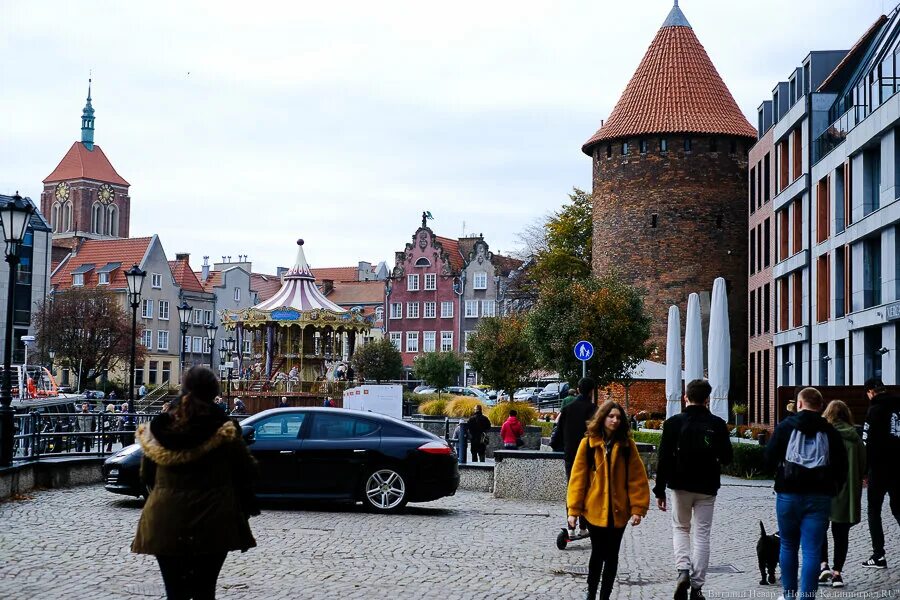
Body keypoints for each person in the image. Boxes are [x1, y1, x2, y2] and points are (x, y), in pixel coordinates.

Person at [132, 366, 258, 600]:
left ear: (183, 389)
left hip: (165, 518)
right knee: (204, 590)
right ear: (214, 393)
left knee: (175, 593)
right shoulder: (225, 430)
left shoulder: (159, 430)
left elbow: (145, 477)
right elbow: (246, 471)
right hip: (214, 518)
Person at [765, 387, 848, 600]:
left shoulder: (785, 427)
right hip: (819, 497)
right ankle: (807, 597)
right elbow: (841, 466)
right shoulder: (830, 431)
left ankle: (789, 594)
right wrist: (834, 489)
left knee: (788, 544)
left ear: (799, 404)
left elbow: (768, 458)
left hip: (788, 495)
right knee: (812, 550)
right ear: (820, 406)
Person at [653, 379, 732, 600]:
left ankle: (683, 571)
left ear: (685, 397)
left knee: (680, 528)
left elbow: (664, 459)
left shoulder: (673, 423)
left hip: (680, 485)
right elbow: (727, 458)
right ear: (707, 399)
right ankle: (697, 587)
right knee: (702, 534)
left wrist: (659, 490)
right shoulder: (717, 424)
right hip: (707, 486)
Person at [567, 400, 650, 600]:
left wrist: (638, 508)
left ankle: (605, 595)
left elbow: (637, 478)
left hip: (618, 512)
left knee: (612, 556)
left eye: (618, 417)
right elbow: (578, 479)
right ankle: (591, 592)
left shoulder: (626, 445)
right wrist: (573, 511)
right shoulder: (588, 444)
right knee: (597, 554)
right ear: (602, 418)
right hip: (594, 510)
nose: (614, 420)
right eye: (610, 416)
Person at [818, 400, 866, 588]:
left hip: (825, 489)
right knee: (841, 534)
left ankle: (823, 566)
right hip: (847, 492)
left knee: (820, 529)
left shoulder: (824, 434)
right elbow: (863, 465)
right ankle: (837, 574)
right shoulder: (855, 437)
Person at [861, 378, 900, 569]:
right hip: (898, 467)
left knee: (874, 511)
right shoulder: (898, 407)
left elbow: (867, 443)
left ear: (871, 392)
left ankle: (879, 555)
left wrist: (864, 471)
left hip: (878, 468)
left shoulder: (874, 410)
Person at [556, 377, 599, 537]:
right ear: (591, 391)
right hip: (590, 456)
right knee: (588, 490)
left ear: (579, 390)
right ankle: (583, 526)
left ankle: (570, 527)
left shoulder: (567, 409)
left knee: (572, 489)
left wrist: (561, 446)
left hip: (570, 455)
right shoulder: (594, 409)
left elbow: (558, 433)